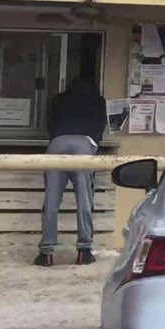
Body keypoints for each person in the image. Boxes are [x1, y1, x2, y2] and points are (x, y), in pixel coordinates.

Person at [39, 67, 107, 267]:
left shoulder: (58, 99)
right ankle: (84, 250)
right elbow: (100, 126)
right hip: (83, 144)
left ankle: (46, 253)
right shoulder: (98, 101)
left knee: (51, 200)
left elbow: (50, 124)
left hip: (57, 142)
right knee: (84, 198)